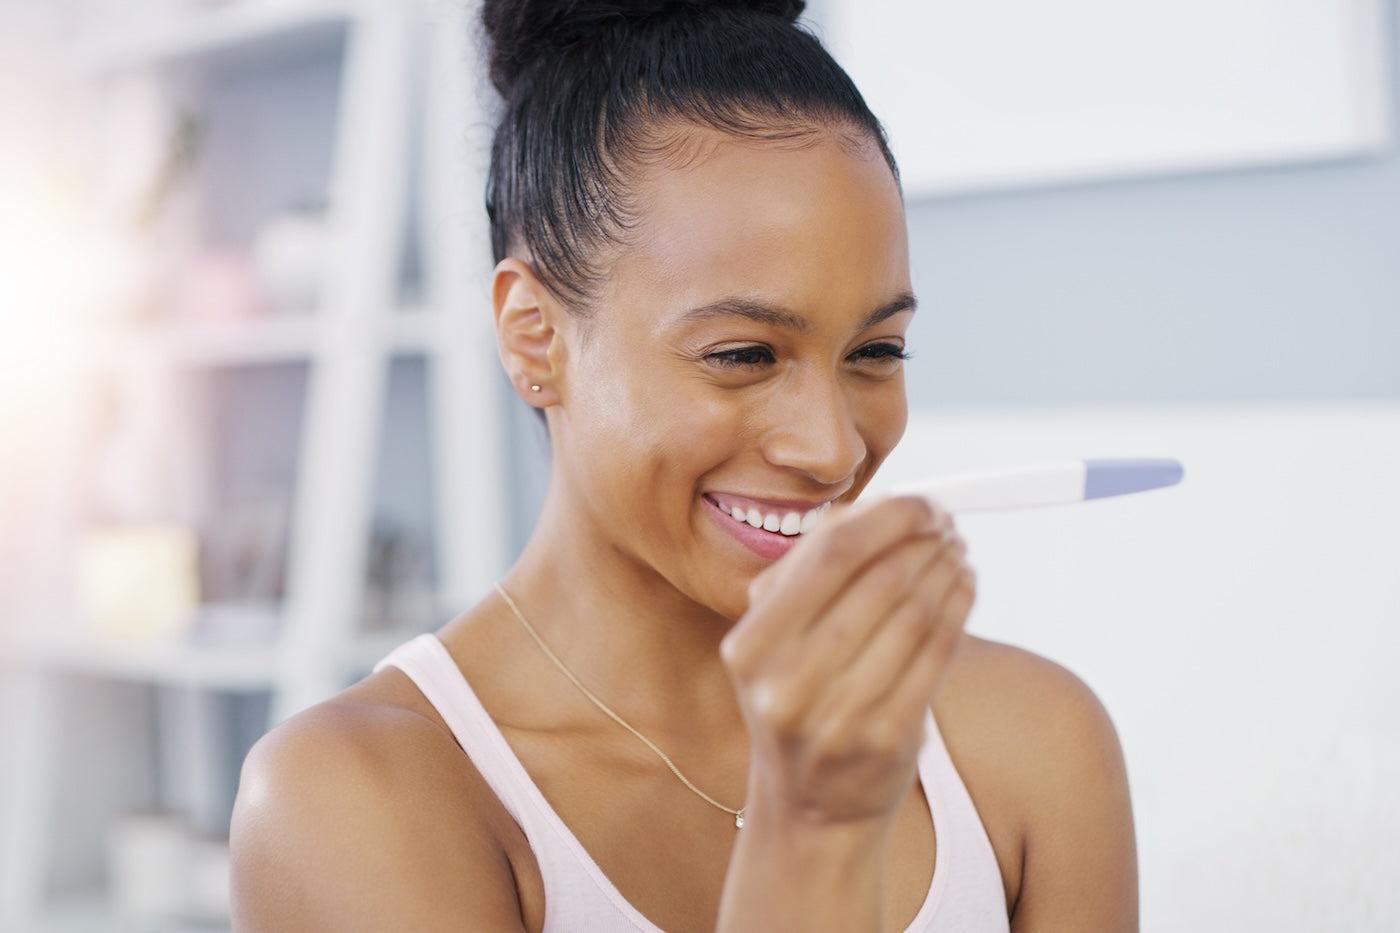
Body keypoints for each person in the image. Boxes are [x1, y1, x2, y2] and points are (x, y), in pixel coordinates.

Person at [229, 1, 1138, 929]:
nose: (831, 450)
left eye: (877, 352)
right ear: (534, 336)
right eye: (743, 354)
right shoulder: (355, 795)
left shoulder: (1035, 742)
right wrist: (810, 838)